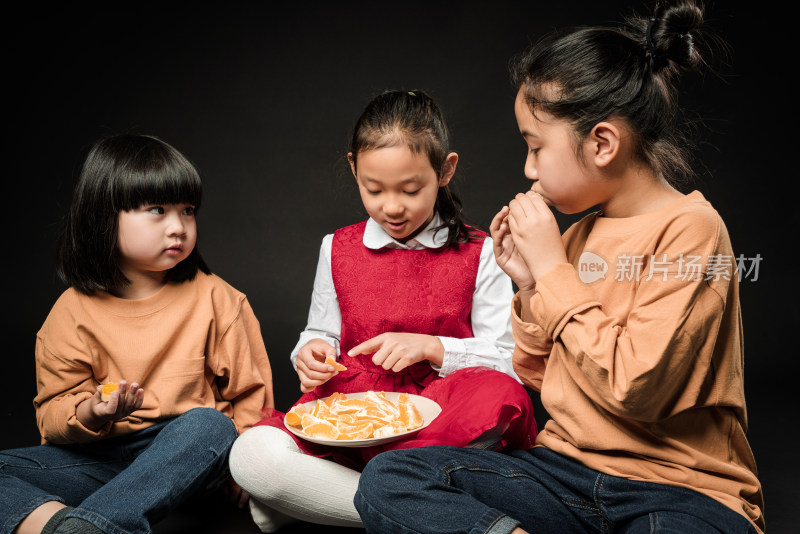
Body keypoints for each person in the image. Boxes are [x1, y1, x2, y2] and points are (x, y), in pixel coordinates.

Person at [353, 2, 765, 533]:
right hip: (566, 474)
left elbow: (635, 389)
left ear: (602, 143)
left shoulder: (692, 231)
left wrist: (550, 270)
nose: (527, 169)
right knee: (392, 477)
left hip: (679, 489)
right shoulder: (574, 238)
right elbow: (544, 379)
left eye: (535, 147)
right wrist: (527, 284)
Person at [229, 90, 537, 532]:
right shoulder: (336, 247)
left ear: (445, 170)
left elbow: (508, 360)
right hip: (357, 405)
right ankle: (415, 508)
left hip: (441, 408)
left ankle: (317, 498)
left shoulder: (480, 251)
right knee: (251, 455)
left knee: (502, 398)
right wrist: (312, 351)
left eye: (411, 189)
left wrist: (432, 347)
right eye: (373, 189)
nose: (392, 207)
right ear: (354, 168)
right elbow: (321, 331)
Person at [0, 134, 274, 534]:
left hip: (190, 464)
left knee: (209, 425)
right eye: (158, 210)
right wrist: (90, 411)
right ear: (103, 217)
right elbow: (52, 417)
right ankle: (65, 527)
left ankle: (99, 522)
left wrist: (246, 469)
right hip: (104, 460)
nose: (178, 227)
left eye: (188, 211)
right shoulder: (70, 312)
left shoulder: (218, 298)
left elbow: (252, 396)